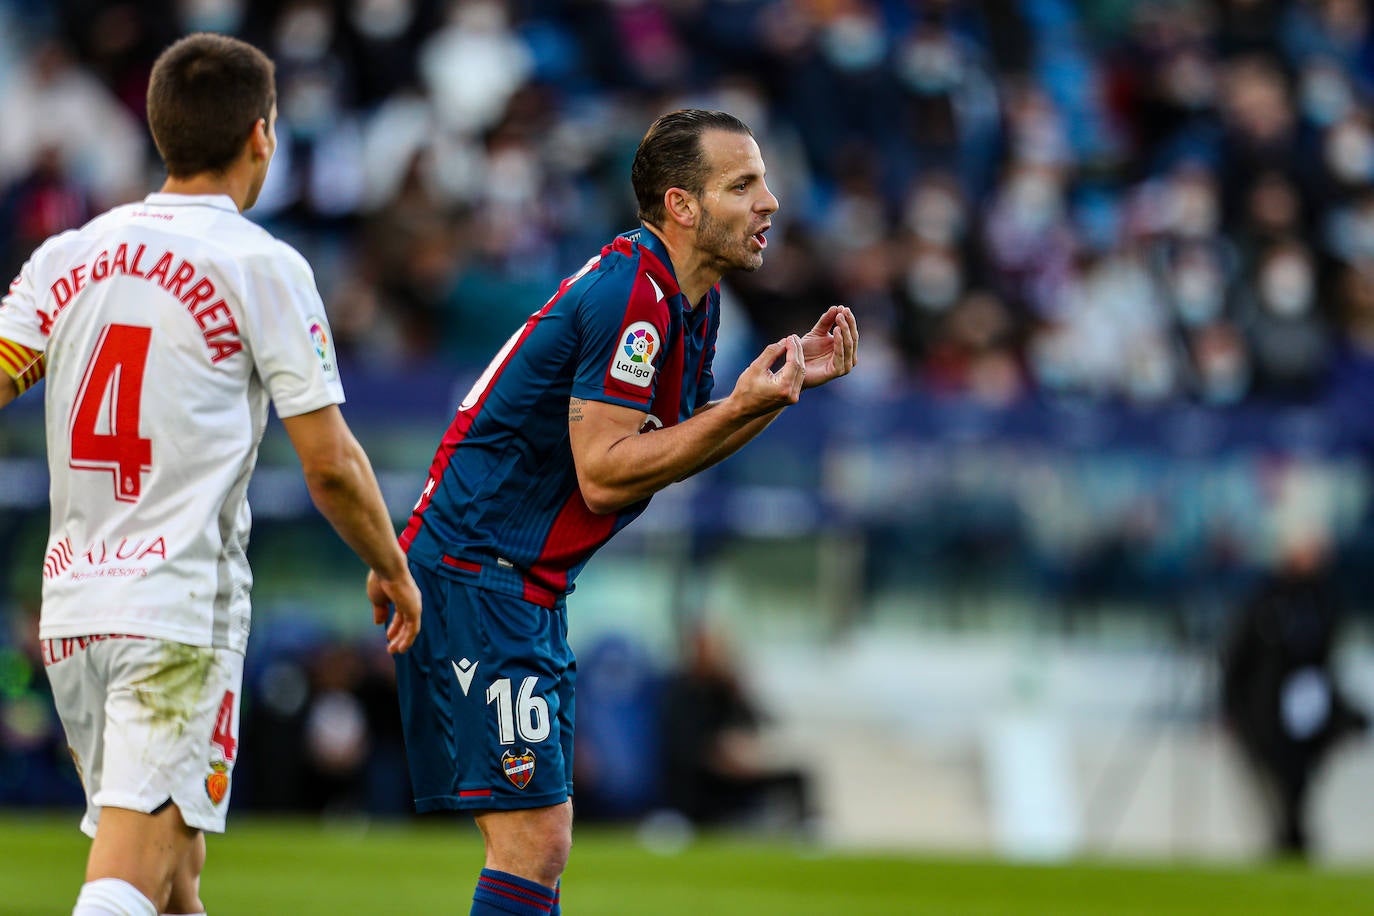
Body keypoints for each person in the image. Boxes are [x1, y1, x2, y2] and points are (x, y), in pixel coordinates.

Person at [391, 107, 857, 916]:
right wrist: (744, 404)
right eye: (743, 184)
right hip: (481, 572)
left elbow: (666, 453)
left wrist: (766, 400)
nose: (770, 202)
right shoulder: (634, 297)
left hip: (516, 582)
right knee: (533, 843)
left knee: (538, 848)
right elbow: (606, 475)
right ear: (682, 205)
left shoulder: (690, 303)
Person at [0, 33, 421, 916]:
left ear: (160, 133)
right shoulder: (262, 265)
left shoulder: (67, 256)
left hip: (75, 615)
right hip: (175, 612)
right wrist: (390, 564)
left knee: (174, 875)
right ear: (262, 136)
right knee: (127, 879)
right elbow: (332, 463)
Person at [1220, 528, 1369, 858]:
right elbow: (1237, 662)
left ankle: (1292, 846)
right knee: (1281, 796)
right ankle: (1291, 845)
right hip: (1265, 722)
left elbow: (1325, 666)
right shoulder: (1265, 601)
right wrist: (1232, 711)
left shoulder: (1324, 602)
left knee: (1296, 793)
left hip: (1306, 720)